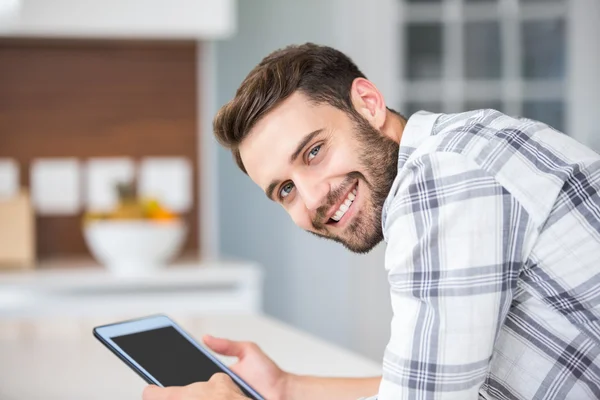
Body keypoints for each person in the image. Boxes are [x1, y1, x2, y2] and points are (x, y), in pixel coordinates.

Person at [142, 43, 600, 400]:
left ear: (367, 103)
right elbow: (433, 382)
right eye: (285, 190)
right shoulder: (459, 146)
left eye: (314, 151)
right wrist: (286, 388)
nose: (314, 197)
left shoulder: (443, 177)